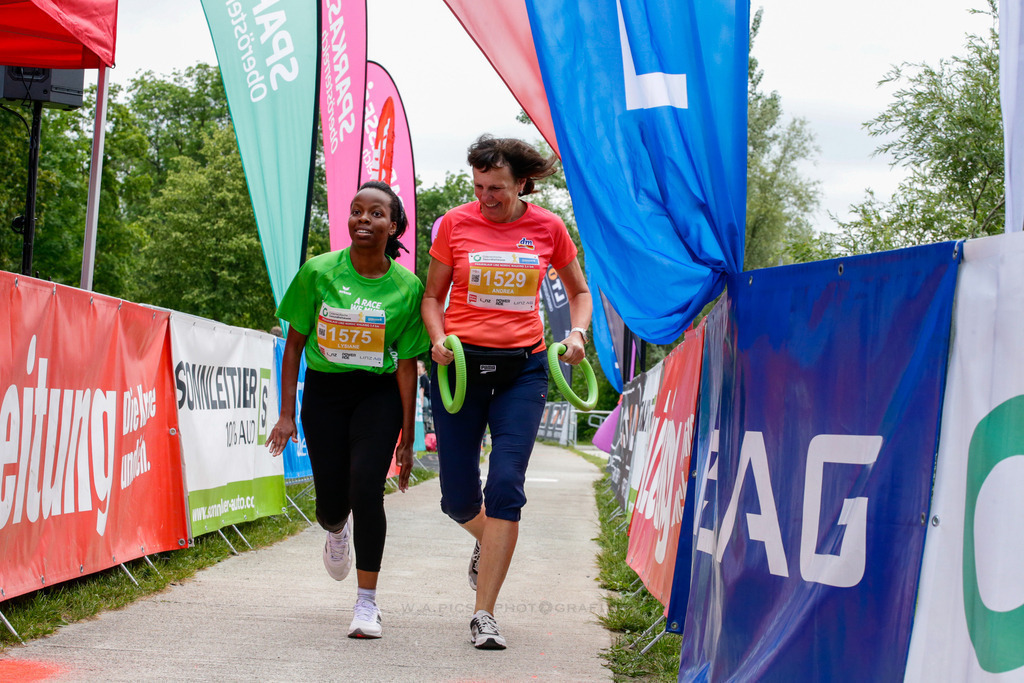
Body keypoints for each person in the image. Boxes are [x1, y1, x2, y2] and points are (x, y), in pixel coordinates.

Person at [421, 135, 592, 650]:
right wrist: (436, 341)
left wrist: (577, 334)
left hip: (525, 369)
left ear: (522, 183)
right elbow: (433, 297)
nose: (485, 196)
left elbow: (580, 292)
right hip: (461, 368)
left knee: (505, 486)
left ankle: (484, 614)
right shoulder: (454, 224)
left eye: (495, 187)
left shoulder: (547, 227)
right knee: (457, 499)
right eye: (478, 186)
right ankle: (489, 540)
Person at [267, 180, 429, 640]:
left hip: (376, 395)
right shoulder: (318, 271)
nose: (364, 219)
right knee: (332, 505)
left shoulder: (407, 287)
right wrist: (286, 413)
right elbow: (294, 344)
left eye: (376, 213)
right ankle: (335, 532)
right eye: (357, 211)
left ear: (393, 226)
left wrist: (406, 437)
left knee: (366, 492)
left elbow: (407, 365)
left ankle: (366, 605)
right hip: (325, 393)